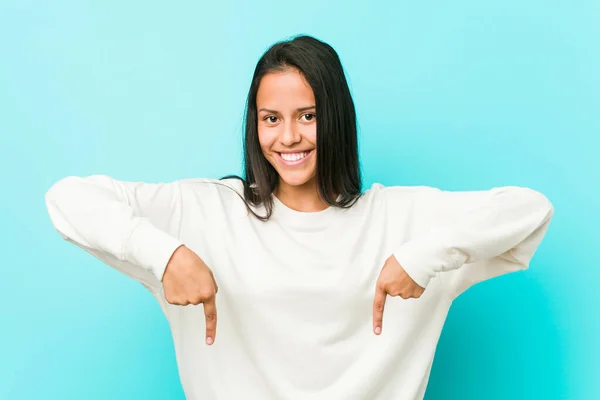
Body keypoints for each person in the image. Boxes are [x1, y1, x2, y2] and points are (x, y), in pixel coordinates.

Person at [45, 35, 554, 400]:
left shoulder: (398, 217)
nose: (288, 137)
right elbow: (68, 199)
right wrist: (165, 254)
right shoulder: (205, 211)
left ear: (335, 119)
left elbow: (530, 209)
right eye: (271, 119)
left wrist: (423, 257)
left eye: (307, 116)